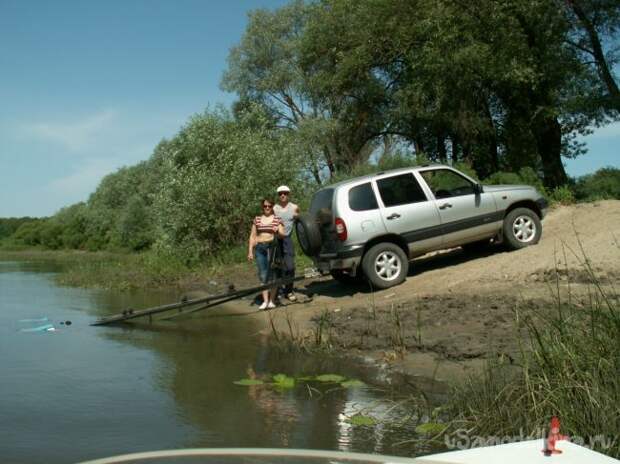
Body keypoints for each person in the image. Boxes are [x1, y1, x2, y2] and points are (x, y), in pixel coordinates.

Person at [248, 198, 285, 310]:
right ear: (262, 207)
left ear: (272, 207)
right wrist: (250, 251)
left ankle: (272, 300)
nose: (267, 208)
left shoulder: (277, 219)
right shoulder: (257, 219)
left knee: (273, 274)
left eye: (269, 206)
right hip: (259, 248)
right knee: (263, 274)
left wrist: (277, 231)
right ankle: (265, 301)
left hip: (271, 247)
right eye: (265, 206)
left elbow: (283, 235)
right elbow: (252, 236)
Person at [273, 185, 300, 301]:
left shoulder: (294, 207)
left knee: (290, 267)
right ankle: (278, 290)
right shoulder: (274, 209)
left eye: (284, 193)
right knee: (278, 266)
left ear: (288, 194)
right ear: (278, 196)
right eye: (280, 194)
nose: (282, 195)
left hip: (288, 240)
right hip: (276, 240)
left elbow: (301, 222)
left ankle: (289, 291)